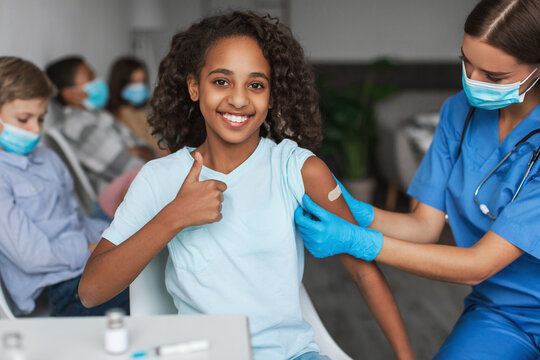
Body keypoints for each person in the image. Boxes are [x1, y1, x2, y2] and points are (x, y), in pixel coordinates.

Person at [79, 12, 414, 360]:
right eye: (221, 81)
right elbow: (91, 291)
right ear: (195, 87)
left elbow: (363, 272)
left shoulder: (298, 170)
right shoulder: (158, 177)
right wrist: (173, 217)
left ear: (272, 96)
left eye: (255, 85)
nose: (238, 100)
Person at [295, 0, 540, 359]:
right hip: (502, 314)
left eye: (494, 77)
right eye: (466, 64)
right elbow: (424, 226)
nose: (473, 83)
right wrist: (357, 211)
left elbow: (477, 265)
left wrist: (359, 240)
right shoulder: (459, 112)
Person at [0, 56, 129, 317]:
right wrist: (90, 248)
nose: (35, 129)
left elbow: (77, 220)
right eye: (24, 119)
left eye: (41, 118)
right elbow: (33, 257)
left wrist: (117, 235)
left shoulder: (47, 158)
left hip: (86, 268)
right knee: (145, 296)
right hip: (57, 290)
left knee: (156, 269)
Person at [45, 56, 154, 193]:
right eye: (90, 77)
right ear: (71, 94)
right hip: (123, 200)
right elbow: (134, 169)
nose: (98, 80)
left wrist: (141, 151)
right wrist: (141, 151)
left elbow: (148, 149)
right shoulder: (79, 128)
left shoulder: (99, 116)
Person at [106, 57, 164, 155]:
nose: (139, 87)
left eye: (142, 81)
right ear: (120, 83)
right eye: (134, 82)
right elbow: (152, 149)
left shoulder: (141, 111)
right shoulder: (122, 114)